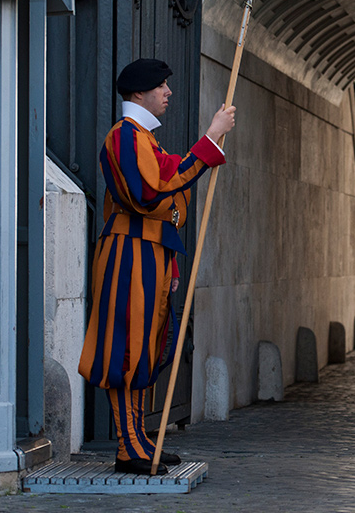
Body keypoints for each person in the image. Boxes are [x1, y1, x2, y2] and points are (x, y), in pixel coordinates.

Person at [78, 59, 236, 475]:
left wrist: (198, 158)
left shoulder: (145, 140)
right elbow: (152, 192)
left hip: (148, 252)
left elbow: (171, 185)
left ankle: (138, 437)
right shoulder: (126, 138)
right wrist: (210, 138)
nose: (167, 92)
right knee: (126, 349)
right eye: (160, 86)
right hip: (130, 252)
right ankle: (128, 445)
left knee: (146, 346)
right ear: (138, 94)